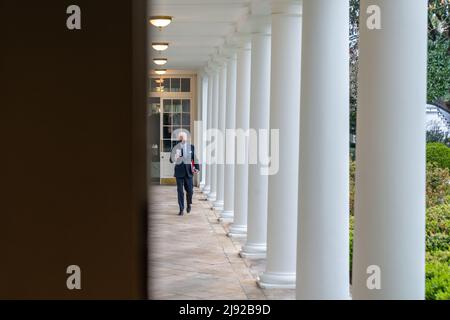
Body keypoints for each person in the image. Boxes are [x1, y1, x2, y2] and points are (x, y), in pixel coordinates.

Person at [170, 132, 200, 216]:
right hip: (179, 172)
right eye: (180, 137)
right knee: (180, 191)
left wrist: (197, 168)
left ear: (186, 138)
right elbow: (171, 160)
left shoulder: (191, 147)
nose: (182, 139)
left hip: (188, 172)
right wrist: (175, 157)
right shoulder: (175, 147)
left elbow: (195, 158)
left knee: (190, 191)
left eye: (183, 137)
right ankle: (181, 209)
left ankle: (189, 203)